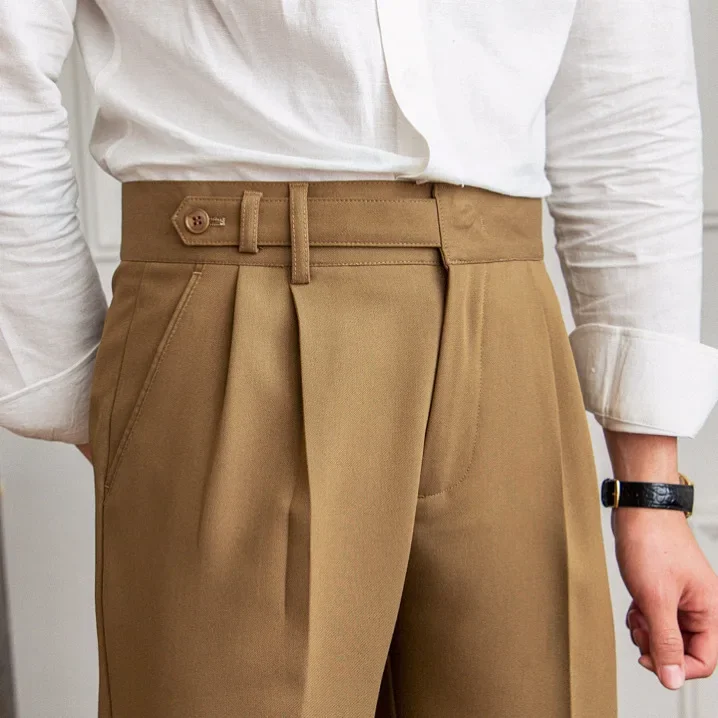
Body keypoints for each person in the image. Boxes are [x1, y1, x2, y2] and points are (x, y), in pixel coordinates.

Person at [2, 1, 718, 716]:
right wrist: (82, 388)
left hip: (507, 331)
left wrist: (652, 492)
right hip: (232, 310)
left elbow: (628, 105)